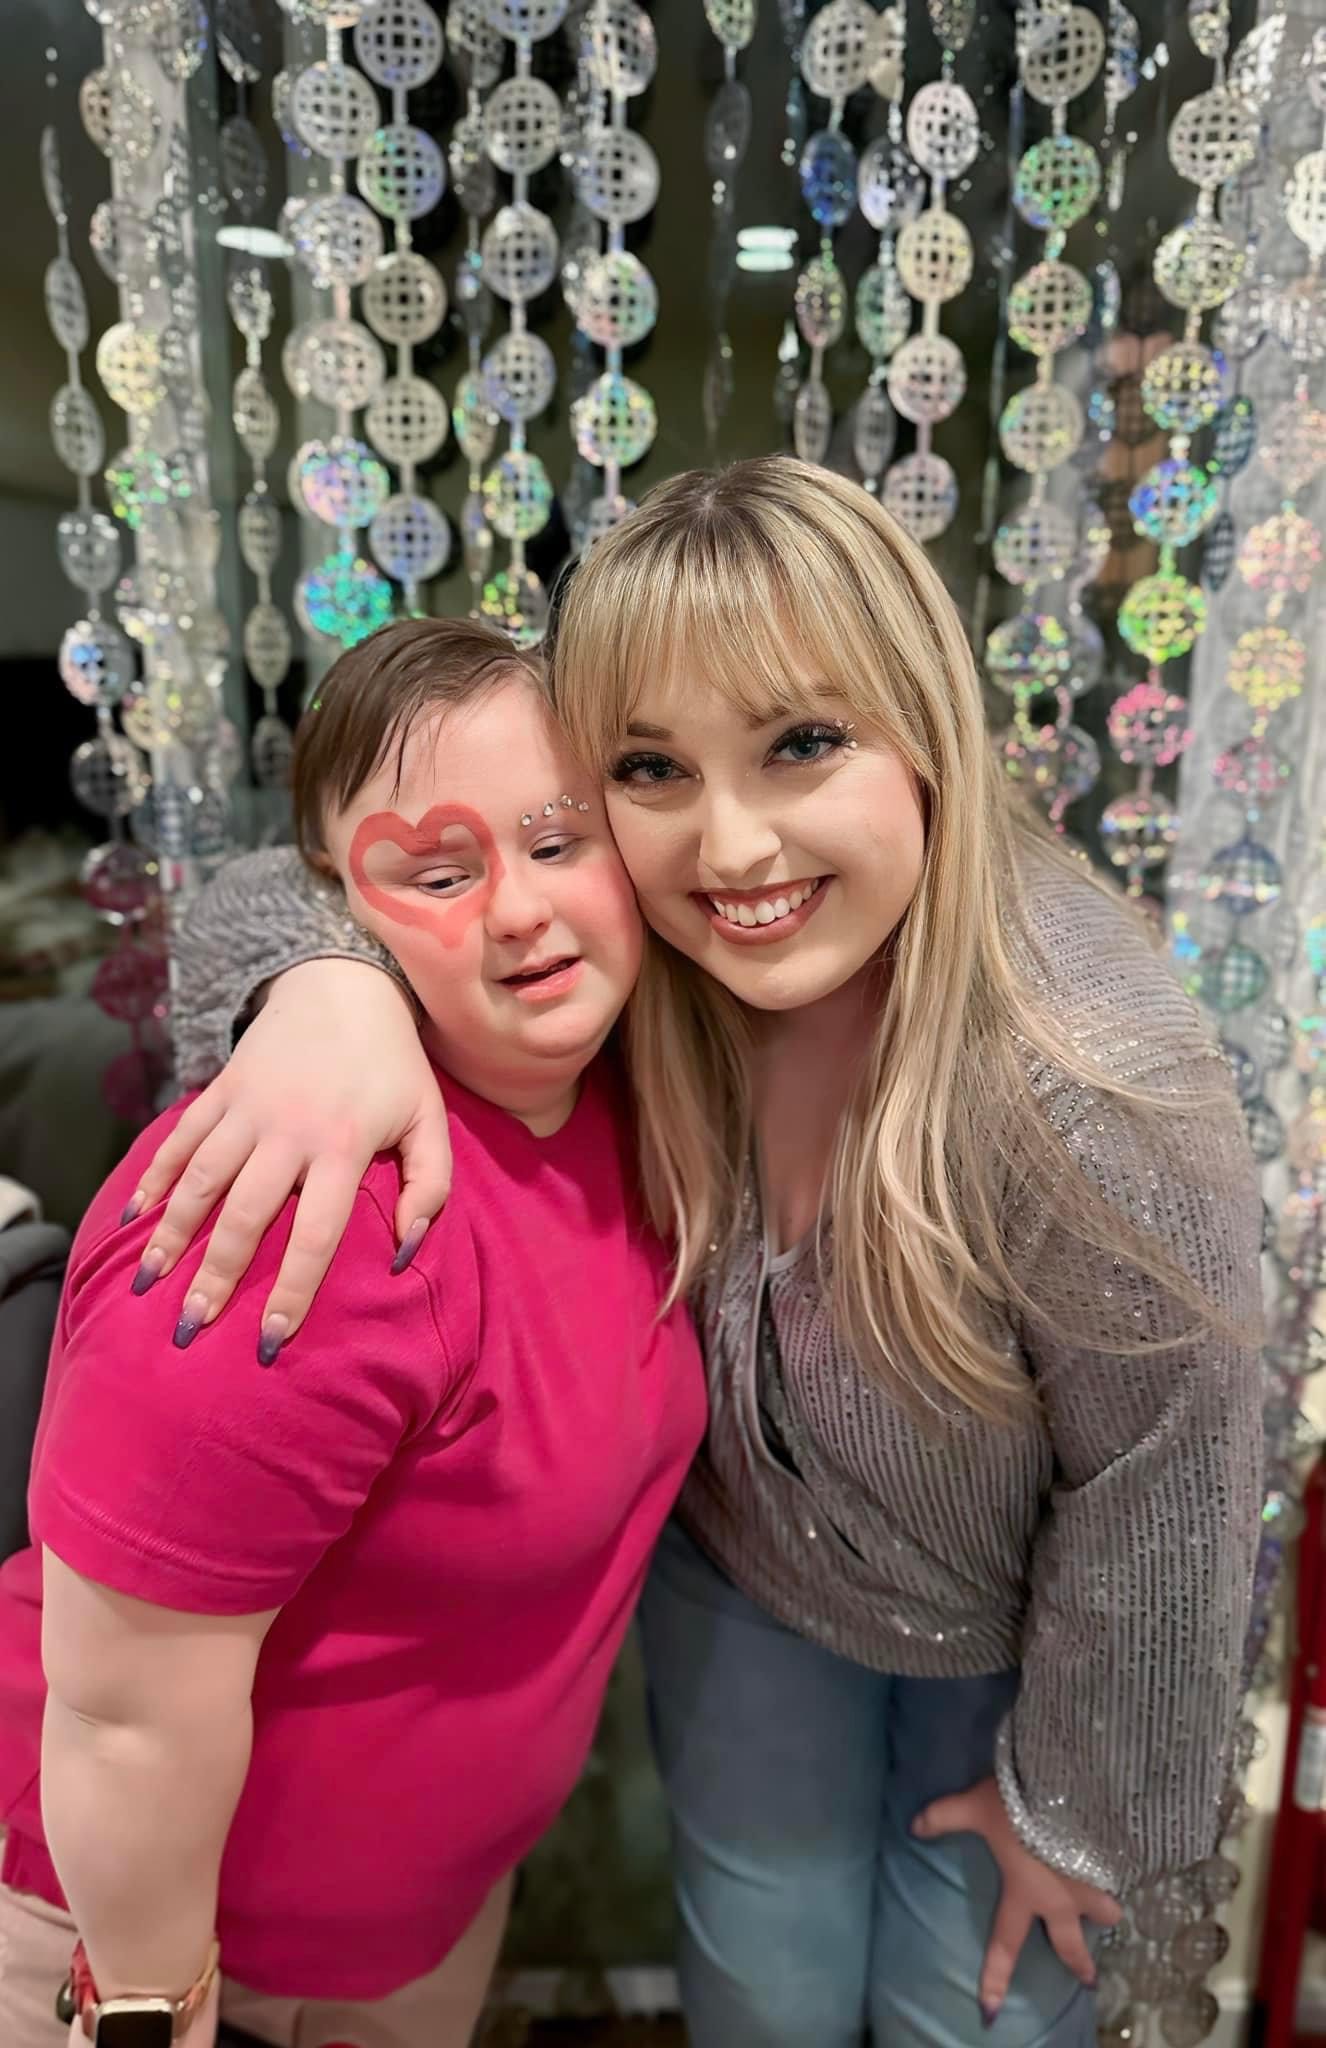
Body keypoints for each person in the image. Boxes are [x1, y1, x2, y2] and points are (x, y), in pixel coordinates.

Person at [127, 459, 1263, 2048]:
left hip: (1027, 1654)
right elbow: (290, 882)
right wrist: (330, 992)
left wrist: (1075, 1813)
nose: (730, 847)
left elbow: (1173, 1478)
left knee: (973, 2020)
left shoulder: (1090, 1082)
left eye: (802, 744)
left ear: (925, 728)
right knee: (762, 2001)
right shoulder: (638, 960)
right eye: (651, 768)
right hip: (740, 1591)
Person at [0, 618, 705, 2048]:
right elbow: (125, 1712)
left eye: (562, 845)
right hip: (118, 1940)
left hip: (406, 1934)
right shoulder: (310, 1208)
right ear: (348, 911)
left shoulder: (634, 1102)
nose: (518, 911)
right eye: (440, 875)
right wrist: (146, 2010)